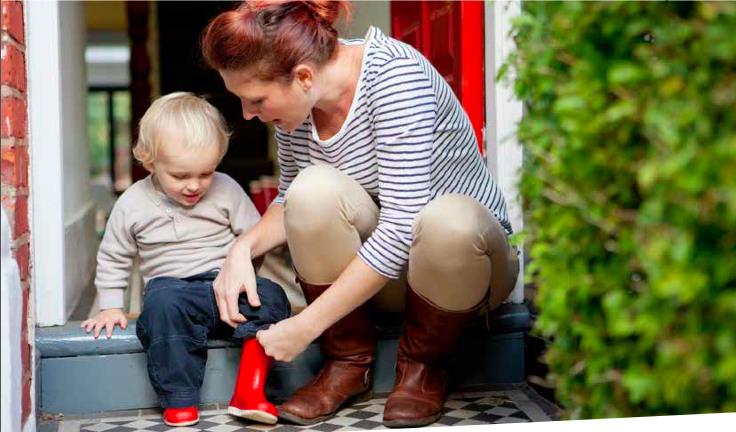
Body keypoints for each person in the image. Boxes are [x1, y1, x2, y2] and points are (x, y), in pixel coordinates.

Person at [201, 0, 520, 428]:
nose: (247, 114)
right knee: (311, 190)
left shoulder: (395, 77)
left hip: (466, 271)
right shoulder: (297, 112)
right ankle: (347, 364)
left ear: (303, 77)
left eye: (255, 99)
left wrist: (305, 326)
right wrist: (243, 247)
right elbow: (291, 198)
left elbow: (402, 226)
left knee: (447, 220)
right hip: (391, 278)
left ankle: (423, 367)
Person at [81, 92, 291, 427]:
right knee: (161, 307)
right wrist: (109, 305)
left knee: (272, 297)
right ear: (150, 162)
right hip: (173, 289)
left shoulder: (226, 189)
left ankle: (249, 390)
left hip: (225, 285)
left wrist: (248, 275)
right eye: (180, 176)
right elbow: (114, 256)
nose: (195, 185)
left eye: (205, 173)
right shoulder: (133, 203)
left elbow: (256, 236)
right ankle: (180, 398)